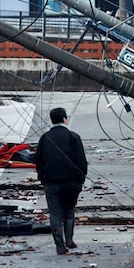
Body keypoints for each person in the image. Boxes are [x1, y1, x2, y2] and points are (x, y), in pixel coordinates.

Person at [35, 107, 88, 254]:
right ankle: (69, 240)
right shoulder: (74, 137)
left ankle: (59, 245)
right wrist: (80, 179)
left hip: (51, 182)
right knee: (69, 210)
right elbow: (82, 161)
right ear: (65, 119)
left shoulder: (45, 138)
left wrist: (42, 178)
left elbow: (38, 161)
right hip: (72, 182)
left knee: (55, 213)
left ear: (52, 120)